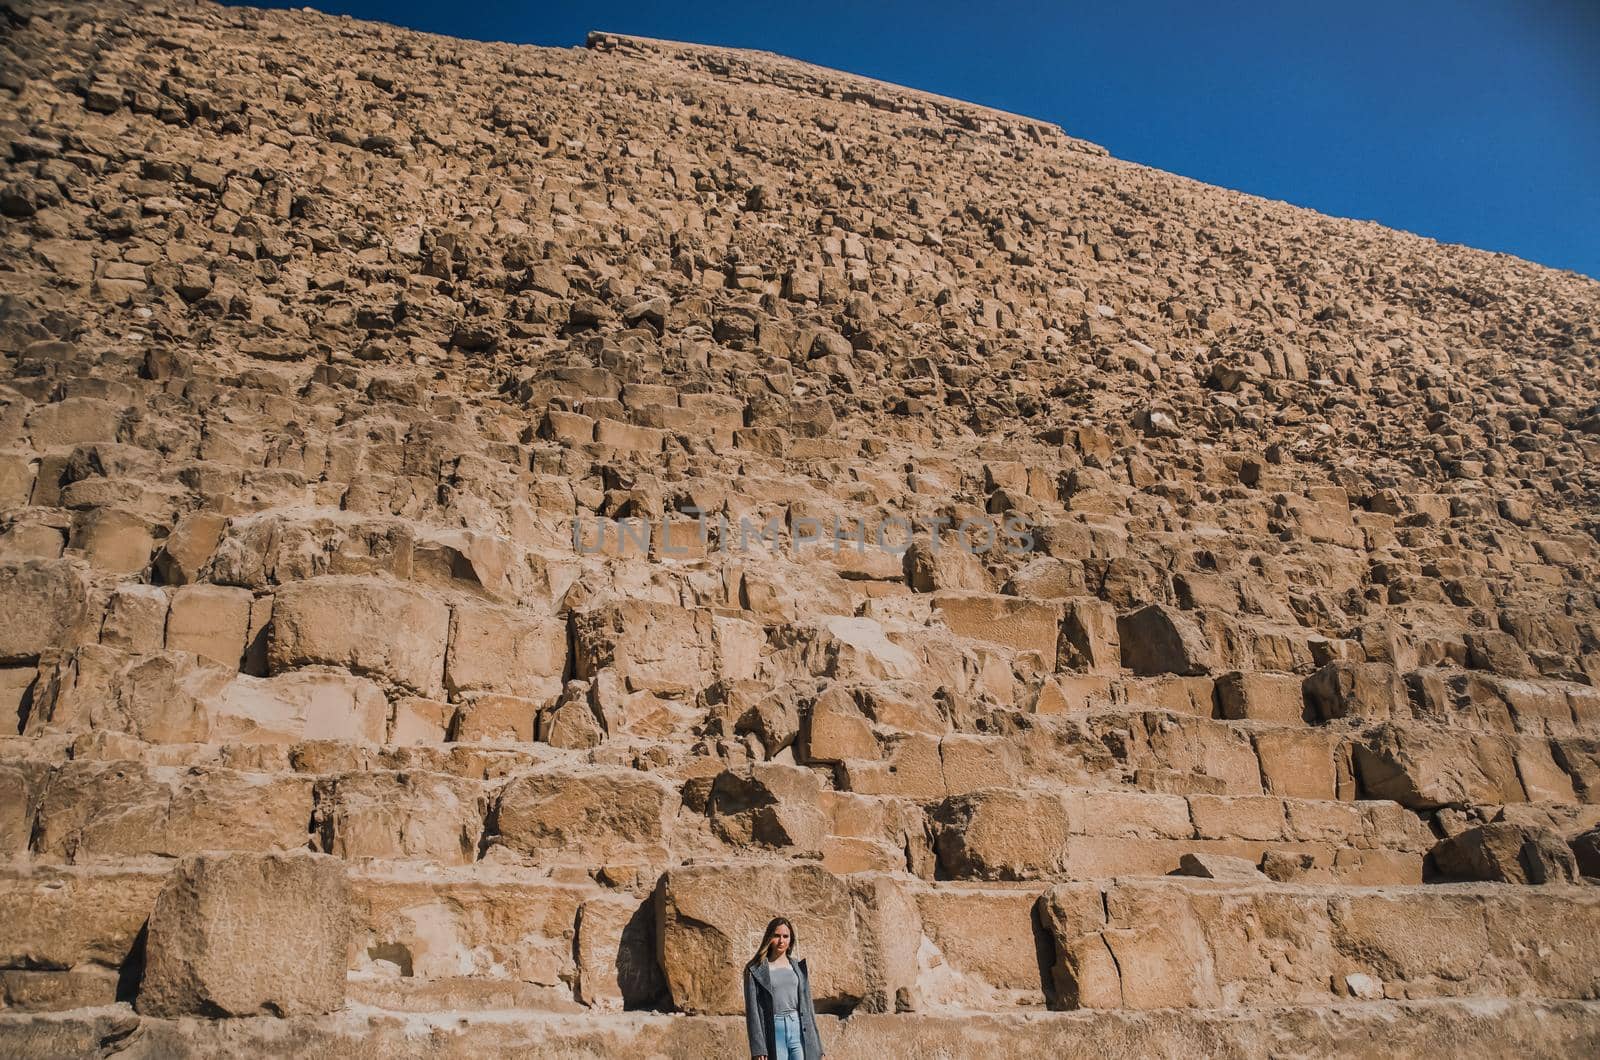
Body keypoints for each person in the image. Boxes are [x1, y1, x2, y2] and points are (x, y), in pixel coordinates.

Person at [743, 916, 824, 1060]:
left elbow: (809, 1009)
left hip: (798, 1028)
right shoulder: (755, 970)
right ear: (769, 938)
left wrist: (818, 1048)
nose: (781, 941)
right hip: (774, 1029)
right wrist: (758, 1048)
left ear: (791, 939)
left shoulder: (799, 968)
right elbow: (753, 1012)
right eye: (777, 936)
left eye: (785, 936)